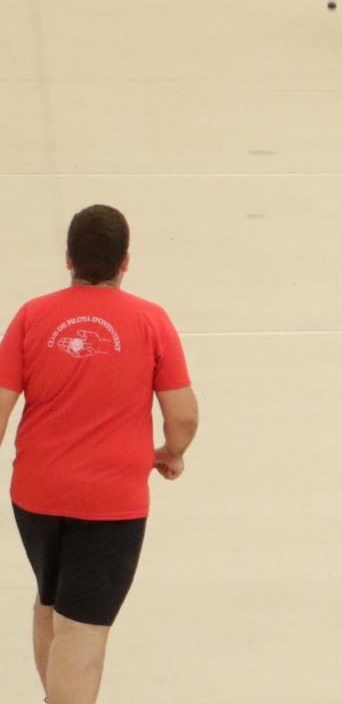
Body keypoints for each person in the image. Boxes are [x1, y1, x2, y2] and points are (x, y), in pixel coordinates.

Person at [0, 205, 197, 704]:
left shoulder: (30, 316)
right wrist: (171, 453)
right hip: (110, 506)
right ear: (125, 262)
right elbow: (184, 416)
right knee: (83, 634)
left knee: (52, 602)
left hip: (35, 498)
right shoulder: (151, 321)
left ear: (68, 258)